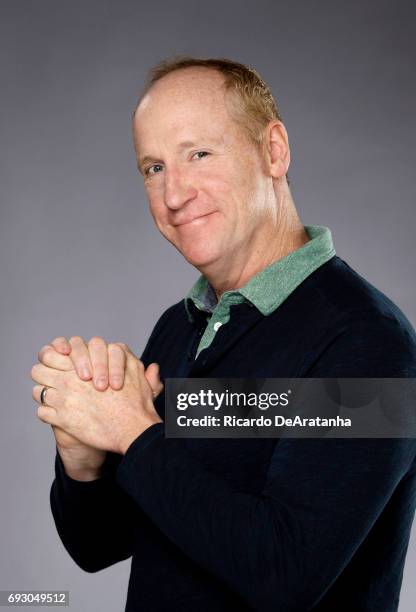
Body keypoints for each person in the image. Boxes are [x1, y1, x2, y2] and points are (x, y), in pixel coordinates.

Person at [30, 57, 416, 611]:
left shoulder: (367, 344)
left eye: (199, 154)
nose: (174, 194)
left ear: (274, 150)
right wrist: (84, 458)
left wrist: (134, 433)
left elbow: (284, 575)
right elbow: (102, 544)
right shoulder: (182, 325)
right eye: (153, 167)